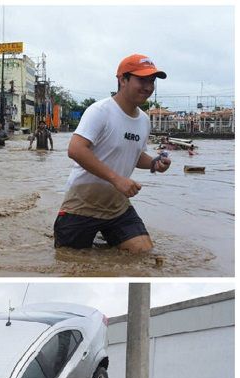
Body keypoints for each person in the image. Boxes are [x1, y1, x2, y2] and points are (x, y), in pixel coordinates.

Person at [54, 54, 170, 253]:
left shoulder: (144, 120)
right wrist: (117, 179)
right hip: (82, 204)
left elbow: (136, 154)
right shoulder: (100, 111)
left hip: (117, 206)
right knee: (72, 262)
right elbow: (75, 149)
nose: (149, 87)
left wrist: (154, 163)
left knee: (143, 253)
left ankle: (105, 235)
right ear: (122, 80)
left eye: (152, 81)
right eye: (142, 80)